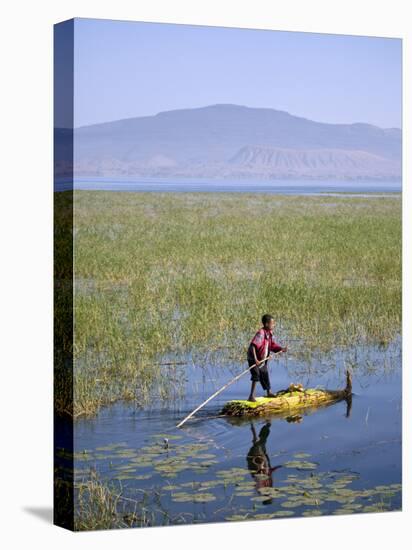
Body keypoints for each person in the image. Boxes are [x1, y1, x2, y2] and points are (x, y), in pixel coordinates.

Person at [247, 314, 287, 402]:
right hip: (253, 358)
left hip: (262, 359)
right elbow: (253, 346)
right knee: (256, 375)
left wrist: (281, 349)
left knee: (264, 373)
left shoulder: (269, 334)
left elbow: (272, 345)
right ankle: (251, 396)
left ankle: (268, 392)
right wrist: (255, 360)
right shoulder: (261, 333)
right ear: (266, 324)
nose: (274, 325)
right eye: (272, 323)